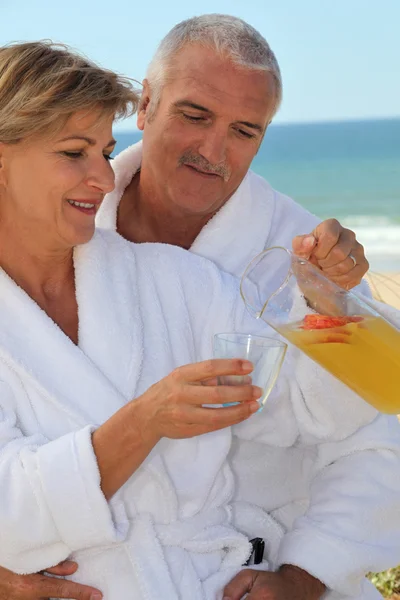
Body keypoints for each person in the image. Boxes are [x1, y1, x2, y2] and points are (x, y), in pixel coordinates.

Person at [1, 27, 400, 600]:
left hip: (231, 571)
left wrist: (329, 307)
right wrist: (145, 420)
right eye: (74, 153)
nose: (102, 178)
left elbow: (328, 409)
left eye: (104, 153)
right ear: (147, 107)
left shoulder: (177, 278)